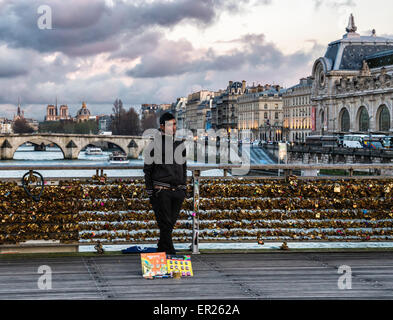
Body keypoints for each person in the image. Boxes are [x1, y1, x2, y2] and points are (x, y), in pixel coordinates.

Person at [143, 112, 187, 255]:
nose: (173, 127)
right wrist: (151, 192)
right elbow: (148, 171)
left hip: (178, 191)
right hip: (162, 191)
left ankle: (161, 251)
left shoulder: (180, 144)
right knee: (166, 224)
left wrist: (184, 187)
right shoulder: (154, 145)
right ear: (162, 126)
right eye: (170, 125)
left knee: (168, 225)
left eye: (174, 124)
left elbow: (184, 167)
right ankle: (171, 253)